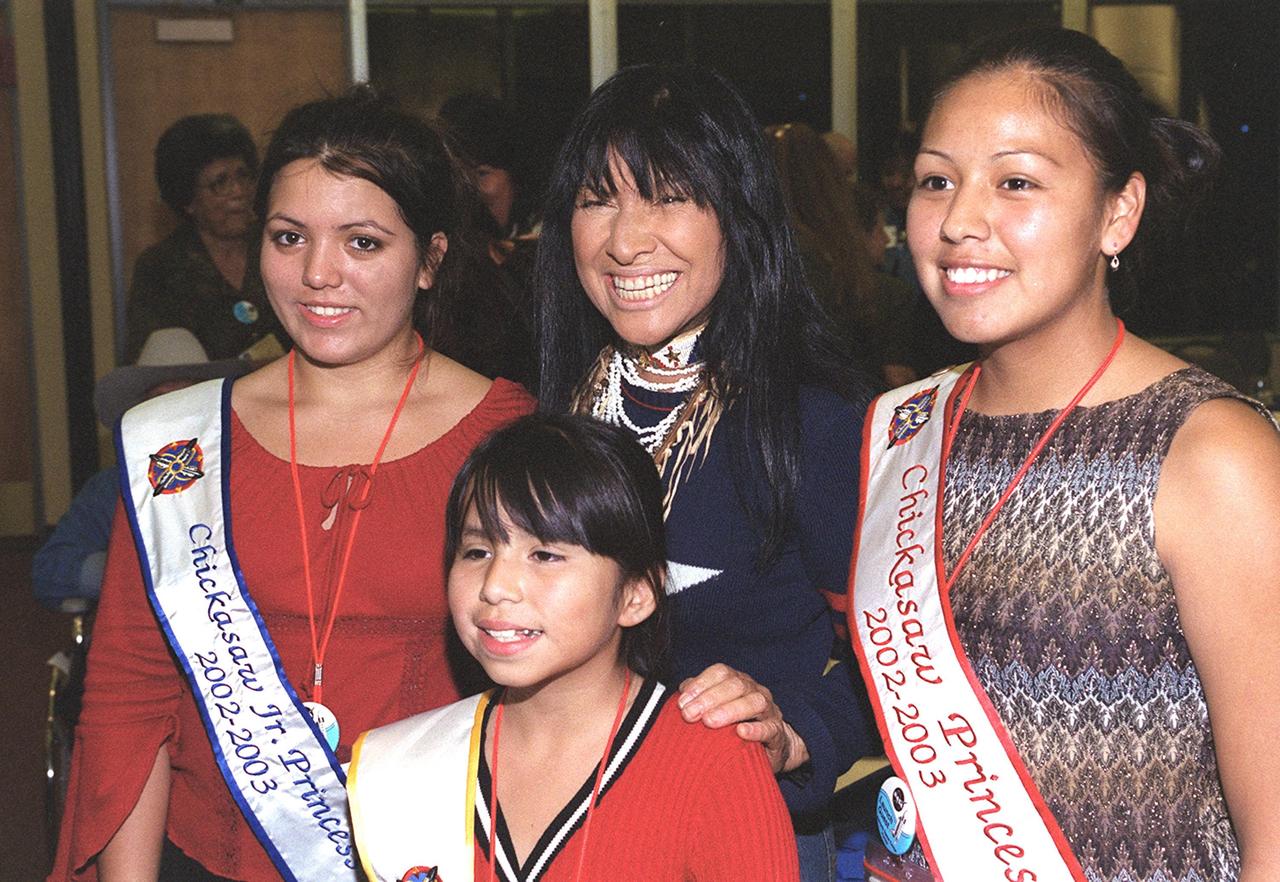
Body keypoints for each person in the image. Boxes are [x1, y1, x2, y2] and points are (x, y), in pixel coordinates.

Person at [48, 87, 533, 881]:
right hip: (203, 852)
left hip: (436, 858)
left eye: (364, 243)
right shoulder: (183, 446)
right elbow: (132, 695)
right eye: (288, 236)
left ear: (431, 259)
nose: (318, 275)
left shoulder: (511, 441)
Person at [848, 26, 1280, 882]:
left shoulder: (1208, 451)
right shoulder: (905, 425)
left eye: (1016, 182)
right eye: (938, 180)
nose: (960, 222)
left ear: (1117, 212)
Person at [535, 64, 876, 881]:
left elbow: (893, 667)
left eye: (671, 196)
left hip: (743, 835)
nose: (626, 239)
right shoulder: (542, 412)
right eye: (598, 198)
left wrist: (794, 730)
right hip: (558, 827)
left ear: (740, 217)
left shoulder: (816, 424)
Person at [348, 413, 801, 881]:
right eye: (477, 552)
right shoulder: (403, 766)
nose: (496, 586)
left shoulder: (712, 762)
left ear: (636, 594)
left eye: (545, 555)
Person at [32, 328, 254, 612]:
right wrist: (139, 574)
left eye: (187, 398)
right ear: (141, 413)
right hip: (142, 636)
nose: (173, 412)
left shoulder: (247, 474)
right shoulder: (114, 485)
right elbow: (50, 570)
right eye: (160, 401)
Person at [124, 114, 286, 363]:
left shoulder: (279, 247)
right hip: (204, 398)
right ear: (188, 199)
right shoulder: (161, 267)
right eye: (220, 183)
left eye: (243, 176)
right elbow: (155, 369)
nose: (239, 192)